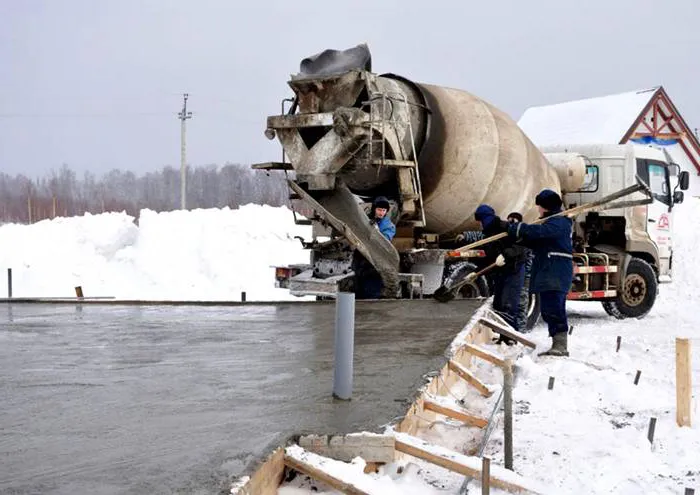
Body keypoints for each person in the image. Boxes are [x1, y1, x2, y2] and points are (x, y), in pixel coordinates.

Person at [506, 189, 573, 357]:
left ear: (547, 207)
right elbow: (537, 240)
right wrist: (516, 235)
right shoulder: (552, 223)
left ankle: (560, 345)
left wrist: (518, 228)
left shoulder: (559, 223)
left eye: (540, 206)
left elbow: (539, 233)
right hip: (550, 271)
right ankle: (557, 343)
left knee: (554, 307)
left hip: (555, 272)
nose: (538, 210)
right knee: (549, 308)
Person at [473, 205, 528, 335]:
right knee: (498, 305)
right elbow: (488, 258)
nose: (479, 225)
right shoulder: (487, 234)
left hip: (514, 271)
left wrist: (506, 254)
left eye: (480, 222)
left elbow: (521, 245)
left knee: (508, 306)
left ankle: (510, 339)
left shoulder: (506, 227)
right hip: (500, 273)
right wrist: (476, 272)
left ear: (485, 219)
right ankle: (501, 337)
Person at [351, 196, 396, 299]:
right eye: (379, 209)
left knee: (371, 295)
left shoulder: (389, 226)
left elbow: (384, 242)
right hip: (360, 263)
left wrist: (375, 231)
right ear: (374, 209)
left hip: (375, 266)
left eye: (384, 210)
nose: (381, 213)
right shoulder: (366, 219)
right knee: (358, 294)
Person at [506, 212, 535, 333]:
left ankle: (521, 329)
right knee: (512, 302)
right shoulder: (513, 235)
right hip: (516, 274)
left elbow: (524, 254)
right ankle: (513, 328)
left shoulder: (525, 236)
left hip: (525, 275)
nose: (510, 223)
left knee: (521, 303)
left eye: (512, 221)